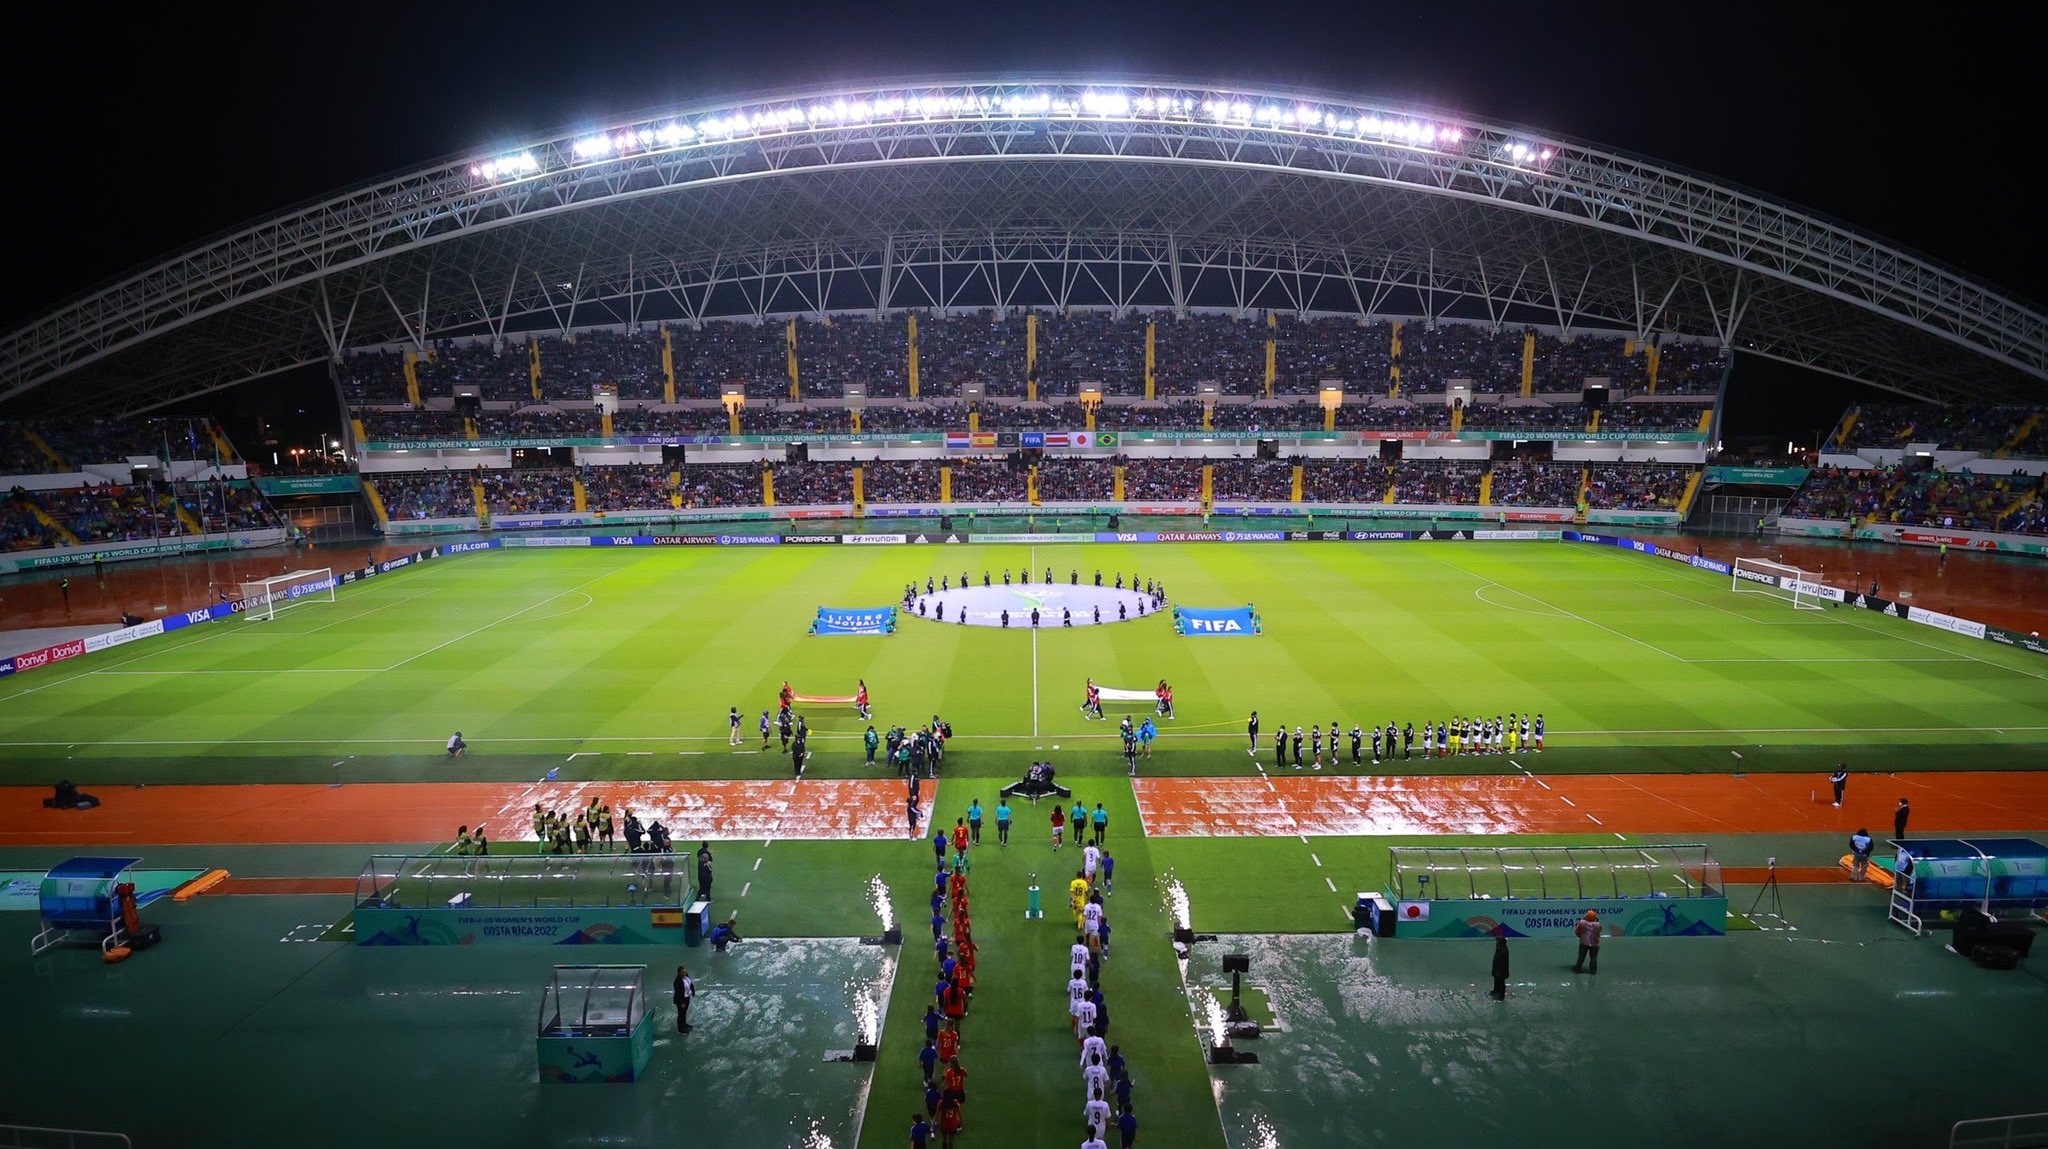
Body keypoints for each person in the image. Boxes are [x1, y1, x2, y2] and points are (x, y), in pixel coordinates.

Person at [1571, 909, 1601, 974]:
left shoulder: (1582, 922)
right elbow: (1599, 931)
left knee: (1581, 956)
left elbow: (1577, 931)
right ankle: (1593, 971)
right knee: (1593, 958)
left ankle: (1578, 969)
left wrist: (1581, 937)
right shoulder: (1598, 925)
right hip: (1595, 943)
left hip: (1583, 942)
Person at [674, 965, 695, 1032]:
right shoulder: (677, 981)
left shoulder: (686, 977)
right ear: (679, 973)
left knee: (684, 1012)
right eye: (683, 972)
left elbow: (690, 984)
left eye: (685, 972)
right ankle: (680, 1028)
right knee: (681, 1013)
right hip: (681, 1000)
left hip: (686, 998)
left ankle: (684, 1024)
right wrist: (681, 1003)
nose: (684, 973)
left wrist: (693, 992)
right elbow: (678, 994)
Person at [1489, 933, 1510, 1000]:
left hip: (1501, 971)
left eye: (1498, 942)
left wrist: (1499, 971)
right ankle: (1496, 990)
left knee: (1501, 982)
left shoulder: (1504, 951)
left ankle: (1501, 995)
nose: (1497, 943)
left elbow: (1503, 964)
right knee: (1496, 980)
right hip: (1497, 969)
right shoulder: (1500, 948)